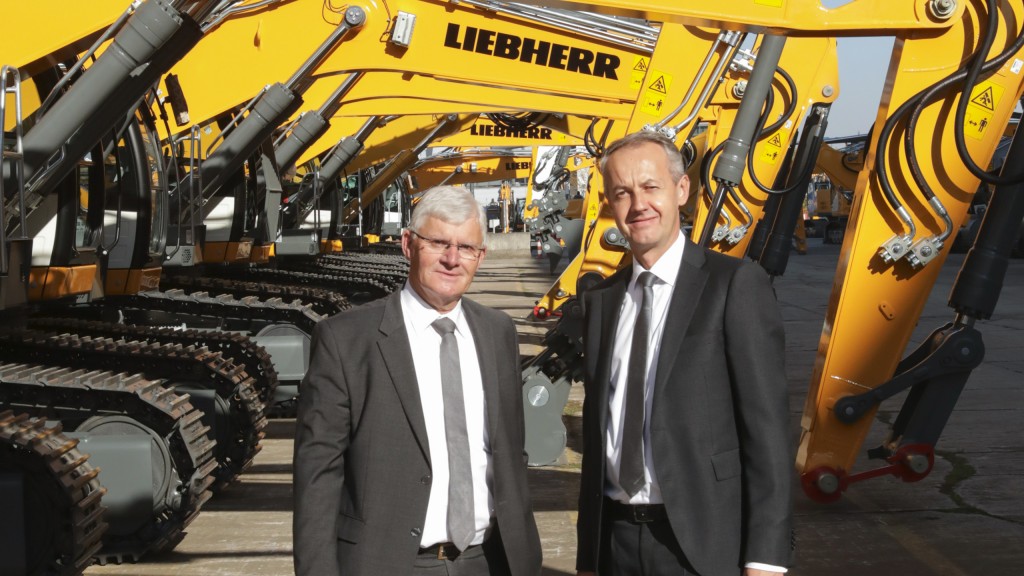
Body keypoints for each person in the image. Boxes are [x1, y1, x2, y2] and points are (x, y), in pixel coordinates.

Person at [294, 185, 542, 576]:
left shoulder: (498, 333)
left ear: (481, 256)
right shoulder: (346, 340)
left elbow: (511, 454)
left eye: (466, 248)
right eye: (439, 242)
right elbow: (317, 476)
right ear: (408, 244)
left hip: (489, 562)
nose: (451, 259)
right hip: (389, 563)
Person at [576, 131, 793, 576]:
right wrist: (588, 559)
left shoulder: (734, 285)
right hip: (614, 543)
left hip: (702, 546)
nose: (638, 205)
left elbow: (767, 432)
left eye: (651, 187)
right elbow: (598, 442)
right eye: (622, 193)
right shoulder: (600, 302)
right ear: (609, 205)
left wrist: (766, 559)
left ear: (681, 190)